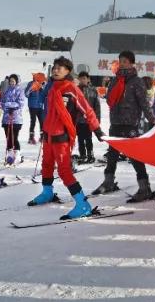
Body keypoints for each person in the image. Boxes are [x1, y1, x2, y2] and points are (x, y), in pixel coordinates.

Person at [28, 57, 105, 220]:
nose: (55, 70)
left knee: (64, 171)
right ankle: (47, 192)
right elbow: (46, 109)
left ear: (68, 71)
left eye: (60, 68)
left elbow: (87, 109)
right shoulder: (50, 87)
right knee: (46, 164)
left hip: (61, 136)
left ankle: (83, 204)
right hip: (48, 134)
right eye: (54, 68)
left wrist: (96, 129)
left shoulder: (71, 88)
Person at [94, 50, 155, 202]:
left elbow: (144, 103)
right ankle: (108, 182)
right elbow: (110, 99)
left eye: (125, 61)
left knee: (135, 156)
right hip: (115, 121)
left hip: (130, 123)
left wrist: (152, 119)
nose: (122, 63)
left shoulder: (137, 81)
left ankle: (144, 187)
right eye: (120, 61)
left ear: (131, 63)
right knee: (112, 154)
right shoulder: (115, 80)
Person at [74, 71, 102, 164]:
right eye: (80, 79)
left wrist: (97, 119)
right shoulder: (76, 90)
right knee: (80, 138)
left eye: (84, 78)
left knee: (88, 138)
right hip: (79, 120)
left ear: (88, 79)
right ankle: (82, 155)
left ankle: (90, 154)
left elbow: (97, 106)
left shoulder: (93, 90)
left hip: (89, 119)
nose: (82, 80)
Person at [0, 74, 25, 164]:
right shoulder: (6, 91)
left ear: (17, 82)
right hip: (6, 118)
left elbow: (21, 103)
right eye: (10, 81)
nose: (11, 83)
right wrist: (6, 106)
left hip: (16, 118)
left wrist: (10, 105)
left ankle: (17, 153)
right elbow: (2, 102)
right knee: (8, 137)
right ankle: (10, 154)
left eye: (13, 81)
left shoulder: (20, 91)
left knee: (14, 136)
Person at [25, 72, 47, 144]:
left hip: (40, 106)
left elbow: (45, 95)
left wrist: (42, 88)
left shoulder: (43, 85)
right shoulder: (31, 84)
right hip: (32, 106)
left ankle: (42, 137)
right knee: (33, 121)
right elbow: (26, 94)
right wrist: (32, 88)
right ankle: (31, 138)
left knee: (42, 121)